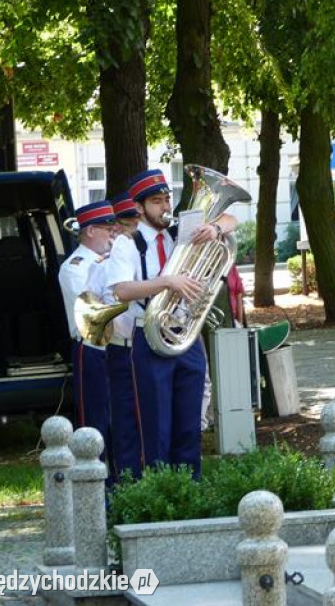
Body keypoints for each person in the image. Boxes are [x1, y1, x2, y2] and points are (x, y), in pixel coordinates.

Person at [103, 169, 239, 481]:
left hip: (184, 334)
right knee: (156, 426)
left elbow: (234, 220)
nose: (164, 207)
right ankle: (159, 492)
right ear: (138, 208)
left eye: (166, 199)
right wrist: (167, 282)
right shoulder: (128, 243)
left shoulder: (184, 231)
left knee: (189, 423)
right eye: (156, 202)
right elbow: (121, 290)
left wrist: (216, 228)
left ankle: (189, 492)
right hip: (149, 336)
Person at [57, 200, 118, 465]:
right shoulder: (75, 267)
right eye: (108, 230)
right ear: (90, 231)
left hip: (117, 347)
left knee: (120, 417)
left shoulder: (112, 261)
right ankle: (96, 479)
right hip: (93, 347)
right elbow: (93, 310)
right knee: (96, 418)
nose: (113, 235)